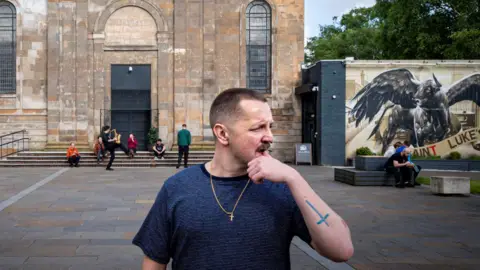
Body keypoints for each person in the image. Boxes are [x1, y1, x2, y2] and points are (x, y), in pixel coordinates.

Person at [132, 88, 354, 270]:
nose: (270, 136)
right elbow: (154, 262)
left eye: (270, 126)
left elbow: (341, 250)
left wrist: (294, 178)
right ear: (222, 134)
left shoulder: (283, 187)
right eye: (258, 128)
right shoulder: (177, 187)